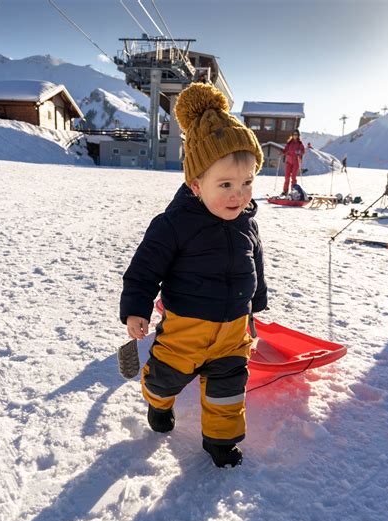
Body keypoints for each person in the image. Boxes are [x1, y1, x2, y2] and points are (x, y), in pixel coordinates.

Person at [120, 82, 267, 468]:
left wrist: (257, 303)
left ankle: (221, 442)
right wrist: (136, 308)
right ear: (195, 184)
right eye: (225, 185)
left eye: (247, 182)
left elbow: (256, 263)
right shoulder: (173, 224)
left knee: (228, 388)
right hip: (186, 328)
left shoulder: (247, 222)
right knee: (166, 377)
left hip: (233, 329)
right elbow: (144, 270)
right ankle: (157, 401)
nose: (238, 194)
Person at [282, 129, 305, 194]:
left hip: (296, 162)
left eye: (296, 135)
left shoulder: (300, 143)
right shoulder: (289, 143)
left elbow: (303, 151)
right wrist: (282, 152)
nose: (295, 136)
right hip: (288, 162)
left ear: (298, 136)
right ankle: (285, 191)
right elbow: (285, 150)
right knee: (287, 177)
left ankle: (293, 191)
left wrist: (299, 152)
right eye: (294, 134)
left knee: (293, 177)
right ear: (292, 135)